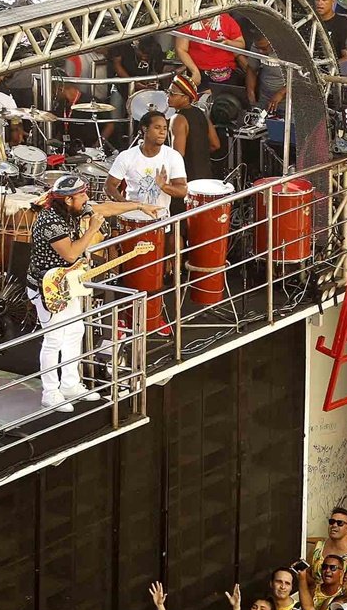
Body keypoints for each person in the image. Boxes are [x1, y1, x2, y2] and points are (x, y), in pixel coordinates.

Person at [25, 175, 162, 411]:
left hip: (67, 281)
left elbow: (106, 208)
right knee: (54, 338)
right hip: (48, 286)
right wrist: (93, 229)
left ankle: (70, 384)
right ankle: (50, 392)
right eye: (82, 195)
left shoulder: (73, 210)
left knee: (75, 330)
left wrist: (139, 205)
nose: (87, 199)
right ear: (68, 200)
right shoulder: (50, 222)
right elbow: (71, 253)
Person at [166, 74, 218, 185]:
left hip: (187, 180)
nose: (168, 96)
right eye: (168, 92)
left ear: (185, 97)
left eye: (172, 94)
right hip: (206, 176)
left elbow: (178, 155)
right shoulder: (201, 113)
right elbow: (215, 144)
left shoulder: (177, 119)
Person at [174, 12, 246, 91]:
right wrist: (194, 71)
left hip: (226, 72)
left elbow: (241, 44)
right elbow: (181, 49)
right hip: (199, 72)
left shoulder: (226, 19)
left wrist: (227, 42)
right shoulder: (189, 21)